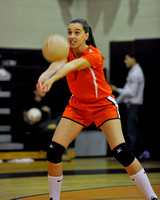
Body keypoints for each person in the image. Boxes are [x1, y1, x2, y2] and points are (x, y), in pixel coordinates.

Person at [37, 18, 159, 200]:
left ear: (86, 35)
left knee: (121, 152)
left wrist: (52, 80)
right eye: (69, 32)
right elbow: (58, 63)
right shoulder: (67, 52)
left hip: (103, 105)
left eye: (77, 32)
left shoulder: (94, 54)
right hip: (78, 106)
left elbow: (71, 66)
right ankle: (54, 199)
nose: (72, 36)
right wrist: (44, 76)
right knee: (54, 150)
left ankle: (152, 197)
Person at [111, 53, 151, 160]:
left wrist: (116, 89)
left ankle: (133, 154)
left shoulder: (136, 73)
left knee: (131, 130)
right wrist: (115, 103)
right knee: (133, 129)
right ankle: (143, 152)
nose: (125, 61)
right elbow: (126, 93)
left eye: (127, 59)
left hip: (134, 106)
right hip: (132, 106)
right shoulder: (133, 71)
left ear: (133, 59)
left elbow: (131, 93)